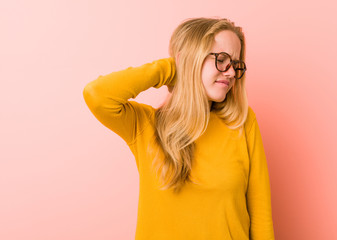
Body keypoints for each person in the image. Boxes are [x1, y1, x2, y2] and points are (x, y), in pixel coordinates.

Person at [83, 17, 275, 240]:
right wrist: (171, 68)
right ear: (188, 60)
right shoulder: (145, 125)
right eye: (222, 59)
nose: (232, 72)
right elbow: (97, 95)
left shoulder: (242, 122)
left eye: (236, 63)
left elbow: (261, 217)